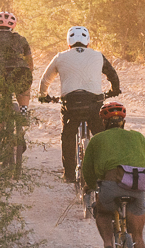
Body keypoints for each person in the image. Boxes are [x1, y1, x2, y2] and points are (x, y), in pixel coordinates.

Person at [80, 97, 145, 248]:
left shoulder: (96, 140)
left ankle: (108, 246)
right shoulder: (139, 137)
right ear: (124, 122)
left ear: (103, 123)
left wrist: (91, 186)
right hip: (137, 188)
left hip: (110, 188)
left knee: (102, 210)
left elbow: (88, 172)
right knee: (138, 237)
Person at [35, 25, 123, 183]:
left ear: (68, 43)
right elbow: (112, 74)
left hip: (71, 104)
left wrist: (43, 96)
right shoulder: (97, 55)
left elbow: (45, 80)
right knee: (101, 135)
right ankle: (107, 170)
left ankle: (69, 174)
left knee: (68, 136)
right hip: (94, 103)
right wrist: (114, 89)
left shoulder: (60, 57)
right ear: (88, 42)